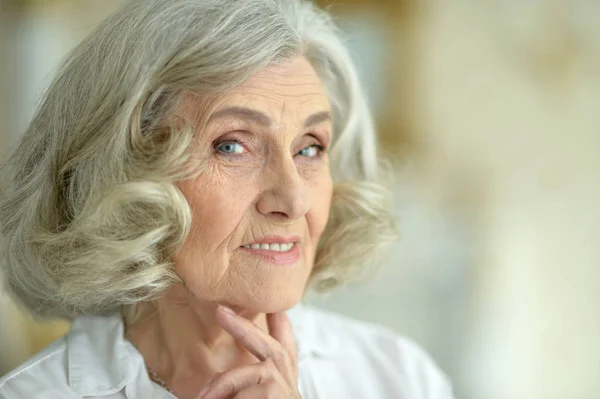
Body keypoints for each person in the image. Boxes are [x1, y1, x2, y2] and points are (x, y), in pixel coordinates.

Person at [0, 0, 454, 398]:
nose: (293, 198)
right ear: (123, 171)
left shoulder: (397, 378)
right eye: (231, 145)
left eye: (310, 147)